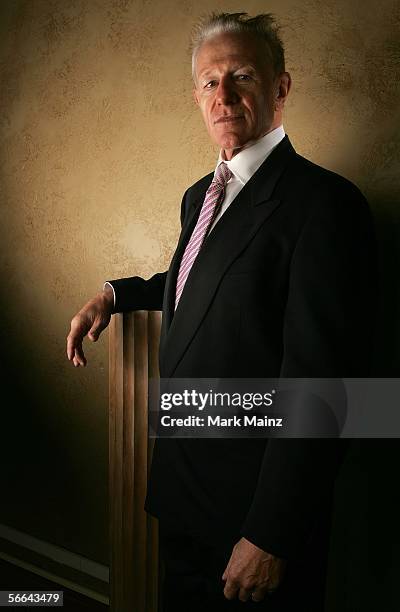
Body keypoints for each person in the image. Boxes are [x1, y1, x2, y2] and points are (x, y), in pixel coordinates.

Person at [67, 12, 376, 612]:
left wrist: (271, 535)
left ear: (280, 87)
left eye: (241, 76)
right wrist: (115, 293)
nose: (224, 95)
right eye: (210, 82)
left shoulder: (327, 206)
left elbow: (329, 387)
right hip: (185, 496)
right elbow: (203, 286)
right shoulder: (200, 194)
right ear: (196, 97)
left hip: (253, 519)